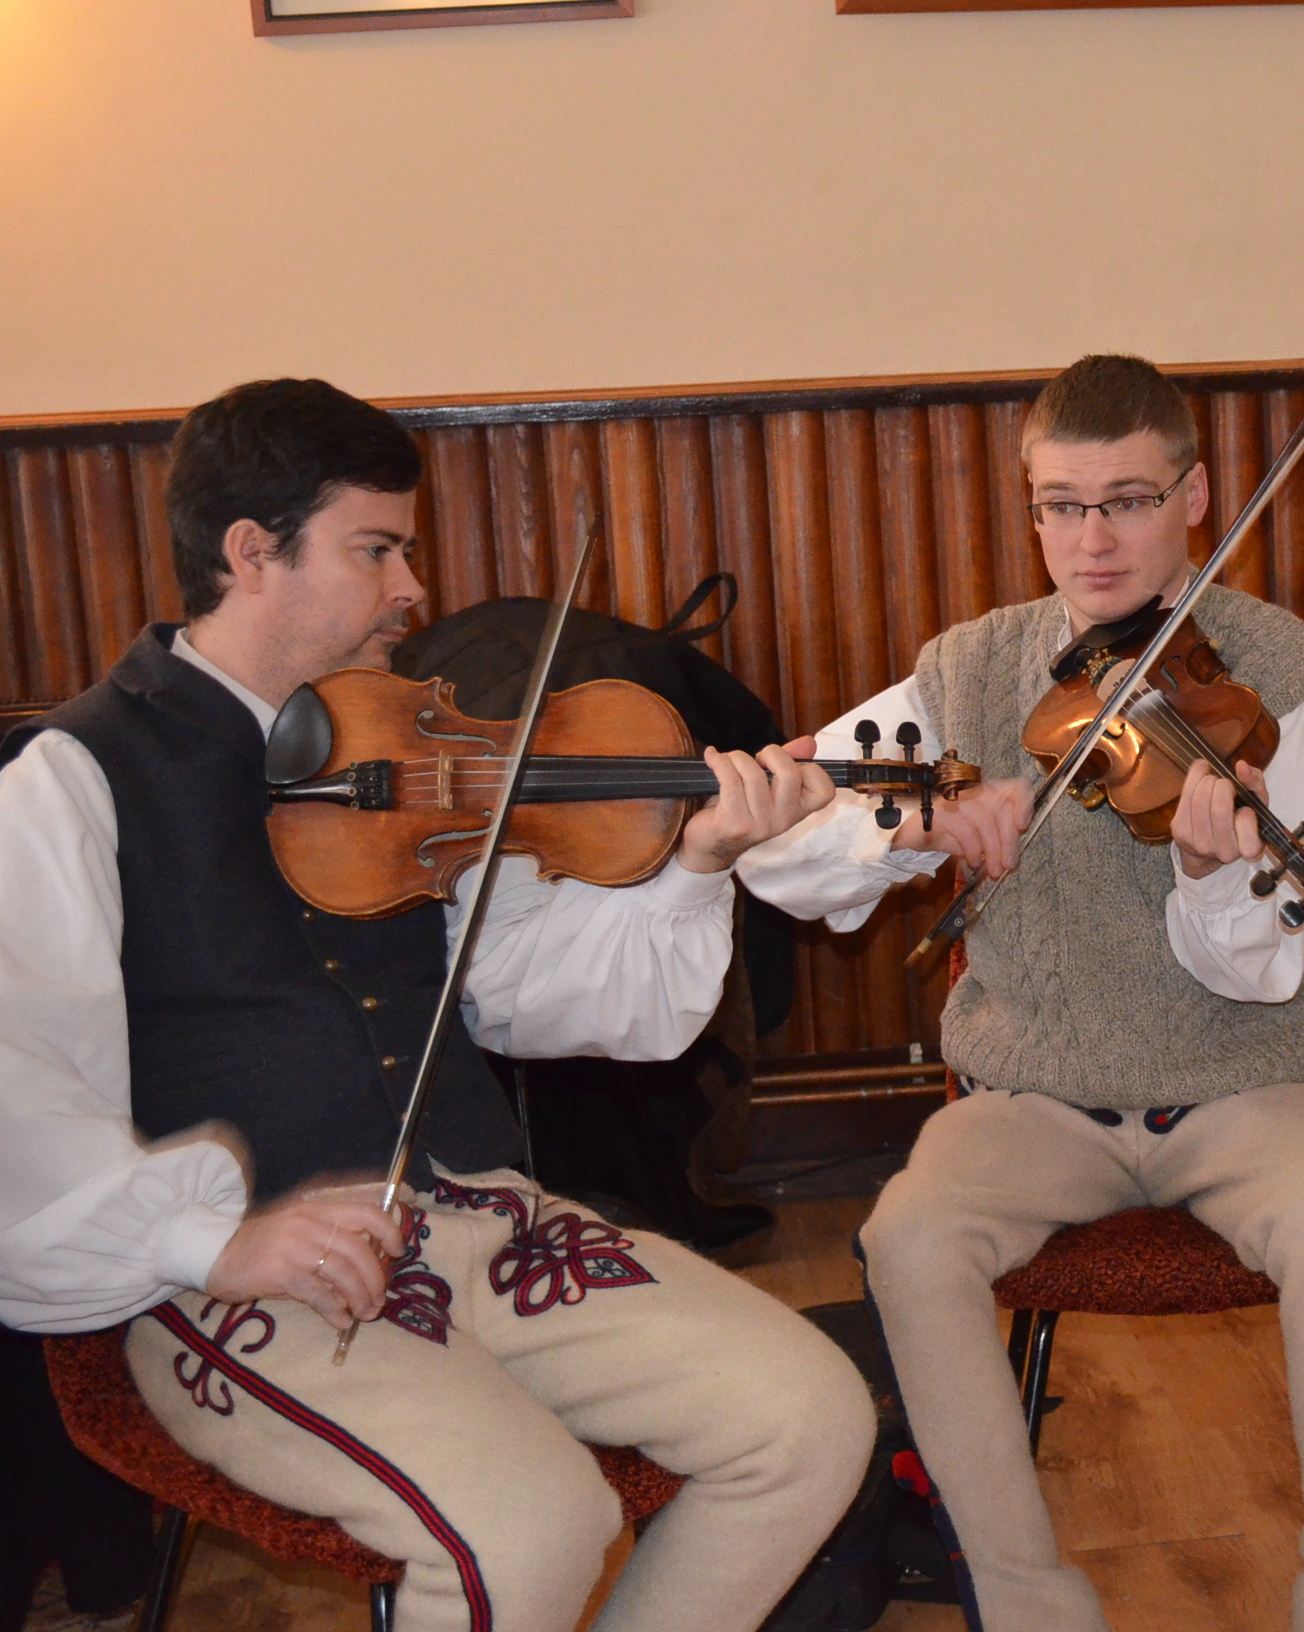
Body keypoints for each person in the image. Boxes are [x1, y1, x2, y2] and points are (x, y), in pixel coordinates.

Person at [0, 380, 876, 1632]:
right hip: (237, 1276)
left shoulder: (409, 752)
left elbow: (529, 1001)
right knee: (533, 1527)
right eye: (376, 549)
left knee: (810, 1416)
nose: (413, 587)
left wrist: (695, 861)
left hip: (477, 1218)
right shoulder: (73, 778)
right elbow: (19, 1080)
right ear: (252, 554)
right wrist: (211, 1244)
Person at [734, 354, 1304, 1632]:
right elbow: (778, 850)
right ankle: (1028, 1604)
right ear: (1031, 505)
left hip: (1245, 1085)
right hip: (1032, 1093)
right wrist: (917, 824)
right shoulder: (969, 667)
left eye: (1128, 502)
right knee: (908, 1238)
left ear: (1195, 496)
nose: (1092, 542)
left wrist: (1210, 874)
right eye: (1061, 505)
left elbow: (1266, 970)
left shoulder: (1274, 671)